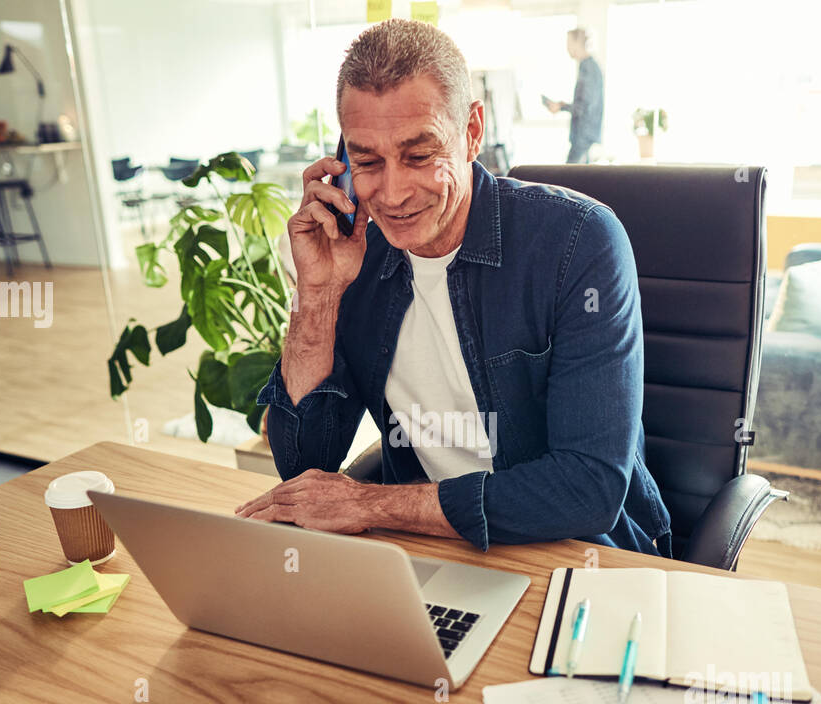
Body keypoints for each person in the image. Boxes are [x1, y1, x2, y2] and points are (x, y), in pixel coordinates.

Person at [237, 18, 670, 559]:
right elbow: (304, 461)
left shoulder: (577, 242)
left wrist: (372, 505)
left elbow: (588, 490)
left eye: (419, 155)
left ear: (471, 131)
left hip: (577, 555)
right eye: (367, 160)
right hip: (425, 553)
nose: (392, 193)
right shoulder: (356, 255)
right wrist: (320, 295)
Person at [544, 27, 603, 164]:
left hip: (583, 135)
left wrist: (560, 107)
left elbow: (584, 106)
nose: (567, 48)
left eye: (569, 43)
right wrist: (561, 105)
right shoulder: (588, 66)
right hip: (584, 134)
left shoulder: (588, 68)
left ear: (577, 44)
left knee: (568, 176)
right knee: (581, 178)